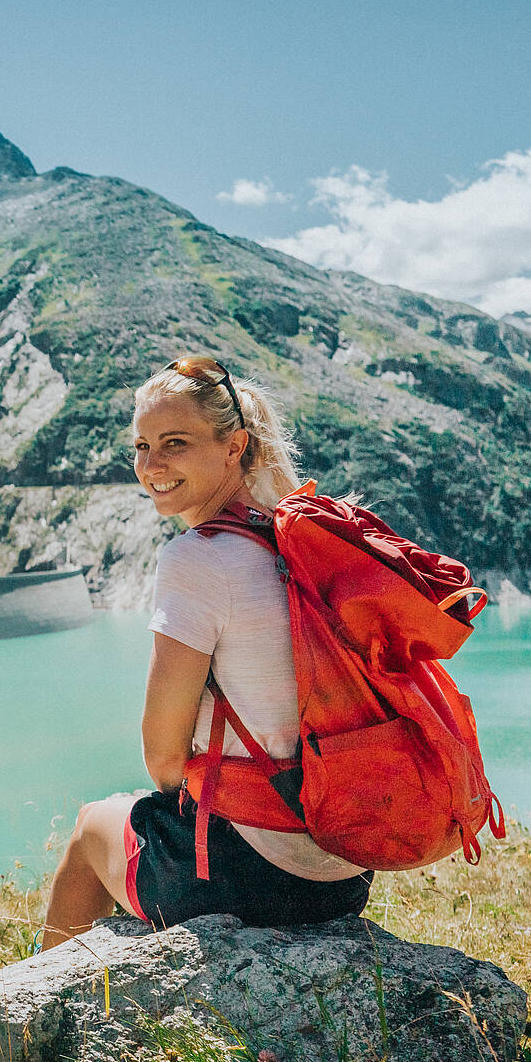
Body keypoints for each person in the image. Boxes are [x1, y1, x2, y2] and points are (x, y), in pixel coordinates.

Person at [40, 357, 371, 948]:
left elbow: (163, 759)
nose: (151, 465)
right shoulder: (298, 545)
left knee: (93, 827)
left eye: (174, 443)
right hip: (344, 867)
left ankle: (41, 1018)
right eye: (141, 446)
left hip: (246, 875)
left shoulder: (198, 559)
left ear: (234, 446)